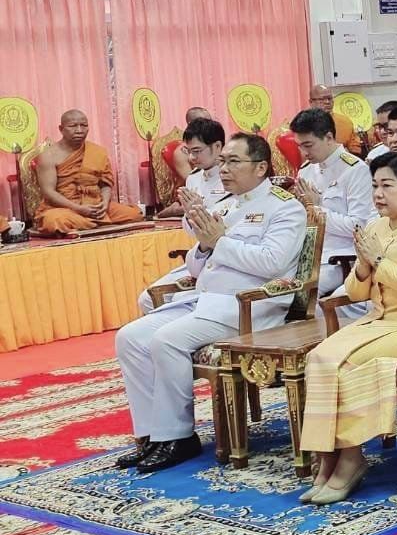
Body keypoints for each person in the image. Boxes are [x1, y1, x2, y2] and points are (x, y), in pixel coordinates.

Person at [114, 134, 306, 473]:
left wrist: (220, 241)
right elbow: (198, 264)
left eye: (234, 162)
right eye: (223, 162)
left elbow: (273, 263)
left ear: (260, 167)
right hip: (206, 300)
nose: (225, 169)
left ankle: (178, 437)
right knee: (129, 337)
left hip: (247, 307)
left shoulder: (285, 207)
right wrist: (204, 247)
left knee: (167, 340)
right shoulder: (228, 205)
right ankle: (149, 437)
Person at [295, 152, 397, 503]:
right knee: (320, 356)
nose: (378, 194)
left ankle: (351, 456)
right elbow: (356, 291)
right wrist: (364, 267)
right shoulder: (375, 228)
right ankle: (328, 456)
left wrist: (378, 260)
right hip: (381, 321)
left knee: (350, 360)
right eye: (374, 186)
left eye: (387, 186)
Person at [137, 117, 228, 307]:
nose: (192, 158)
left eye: (197, 151)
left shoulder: (232, 177)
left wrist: (200, 212)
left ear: (218, 146)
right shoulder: (193, 179)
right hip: (200, 256)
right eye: (189, 151)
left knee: (187, 303)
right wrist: (191, 214)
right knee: (147, 299)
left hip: (225, 254)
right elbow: (189, 230)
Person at [290, 106, 375, 297]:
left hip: (340, 259)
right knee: (270, 290)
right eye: (299, 146)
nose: (303, 152)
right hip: (307, 257)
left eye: (308, 145)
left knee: (297, 296)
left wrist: (316, 208)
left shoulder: (355, 170)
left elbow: (359, 226)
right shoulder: (306, 170)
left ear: (329, 137)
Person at [33, 111, 144, 234]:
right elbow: (48, 192)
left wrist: (105, 203)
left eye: (84, 125)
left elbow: (105, 183)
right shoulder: (48, 156)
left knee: (135, 214)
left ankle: (88, 223)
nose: (79, 130)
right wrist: (78, 208)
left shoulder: (97, 152)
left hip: (95, 205)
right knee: (54, 221)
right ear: (61, 129)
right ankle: (93, 223)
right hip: (64, 208)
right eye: (73, 126)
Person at [308, 83, 363, 155]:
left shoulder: (345, 122)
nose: (327, 102)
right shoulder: (304, 124)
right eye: (322, 99)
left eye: (329, 98)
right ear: (311, 102)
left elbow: (355, 149)